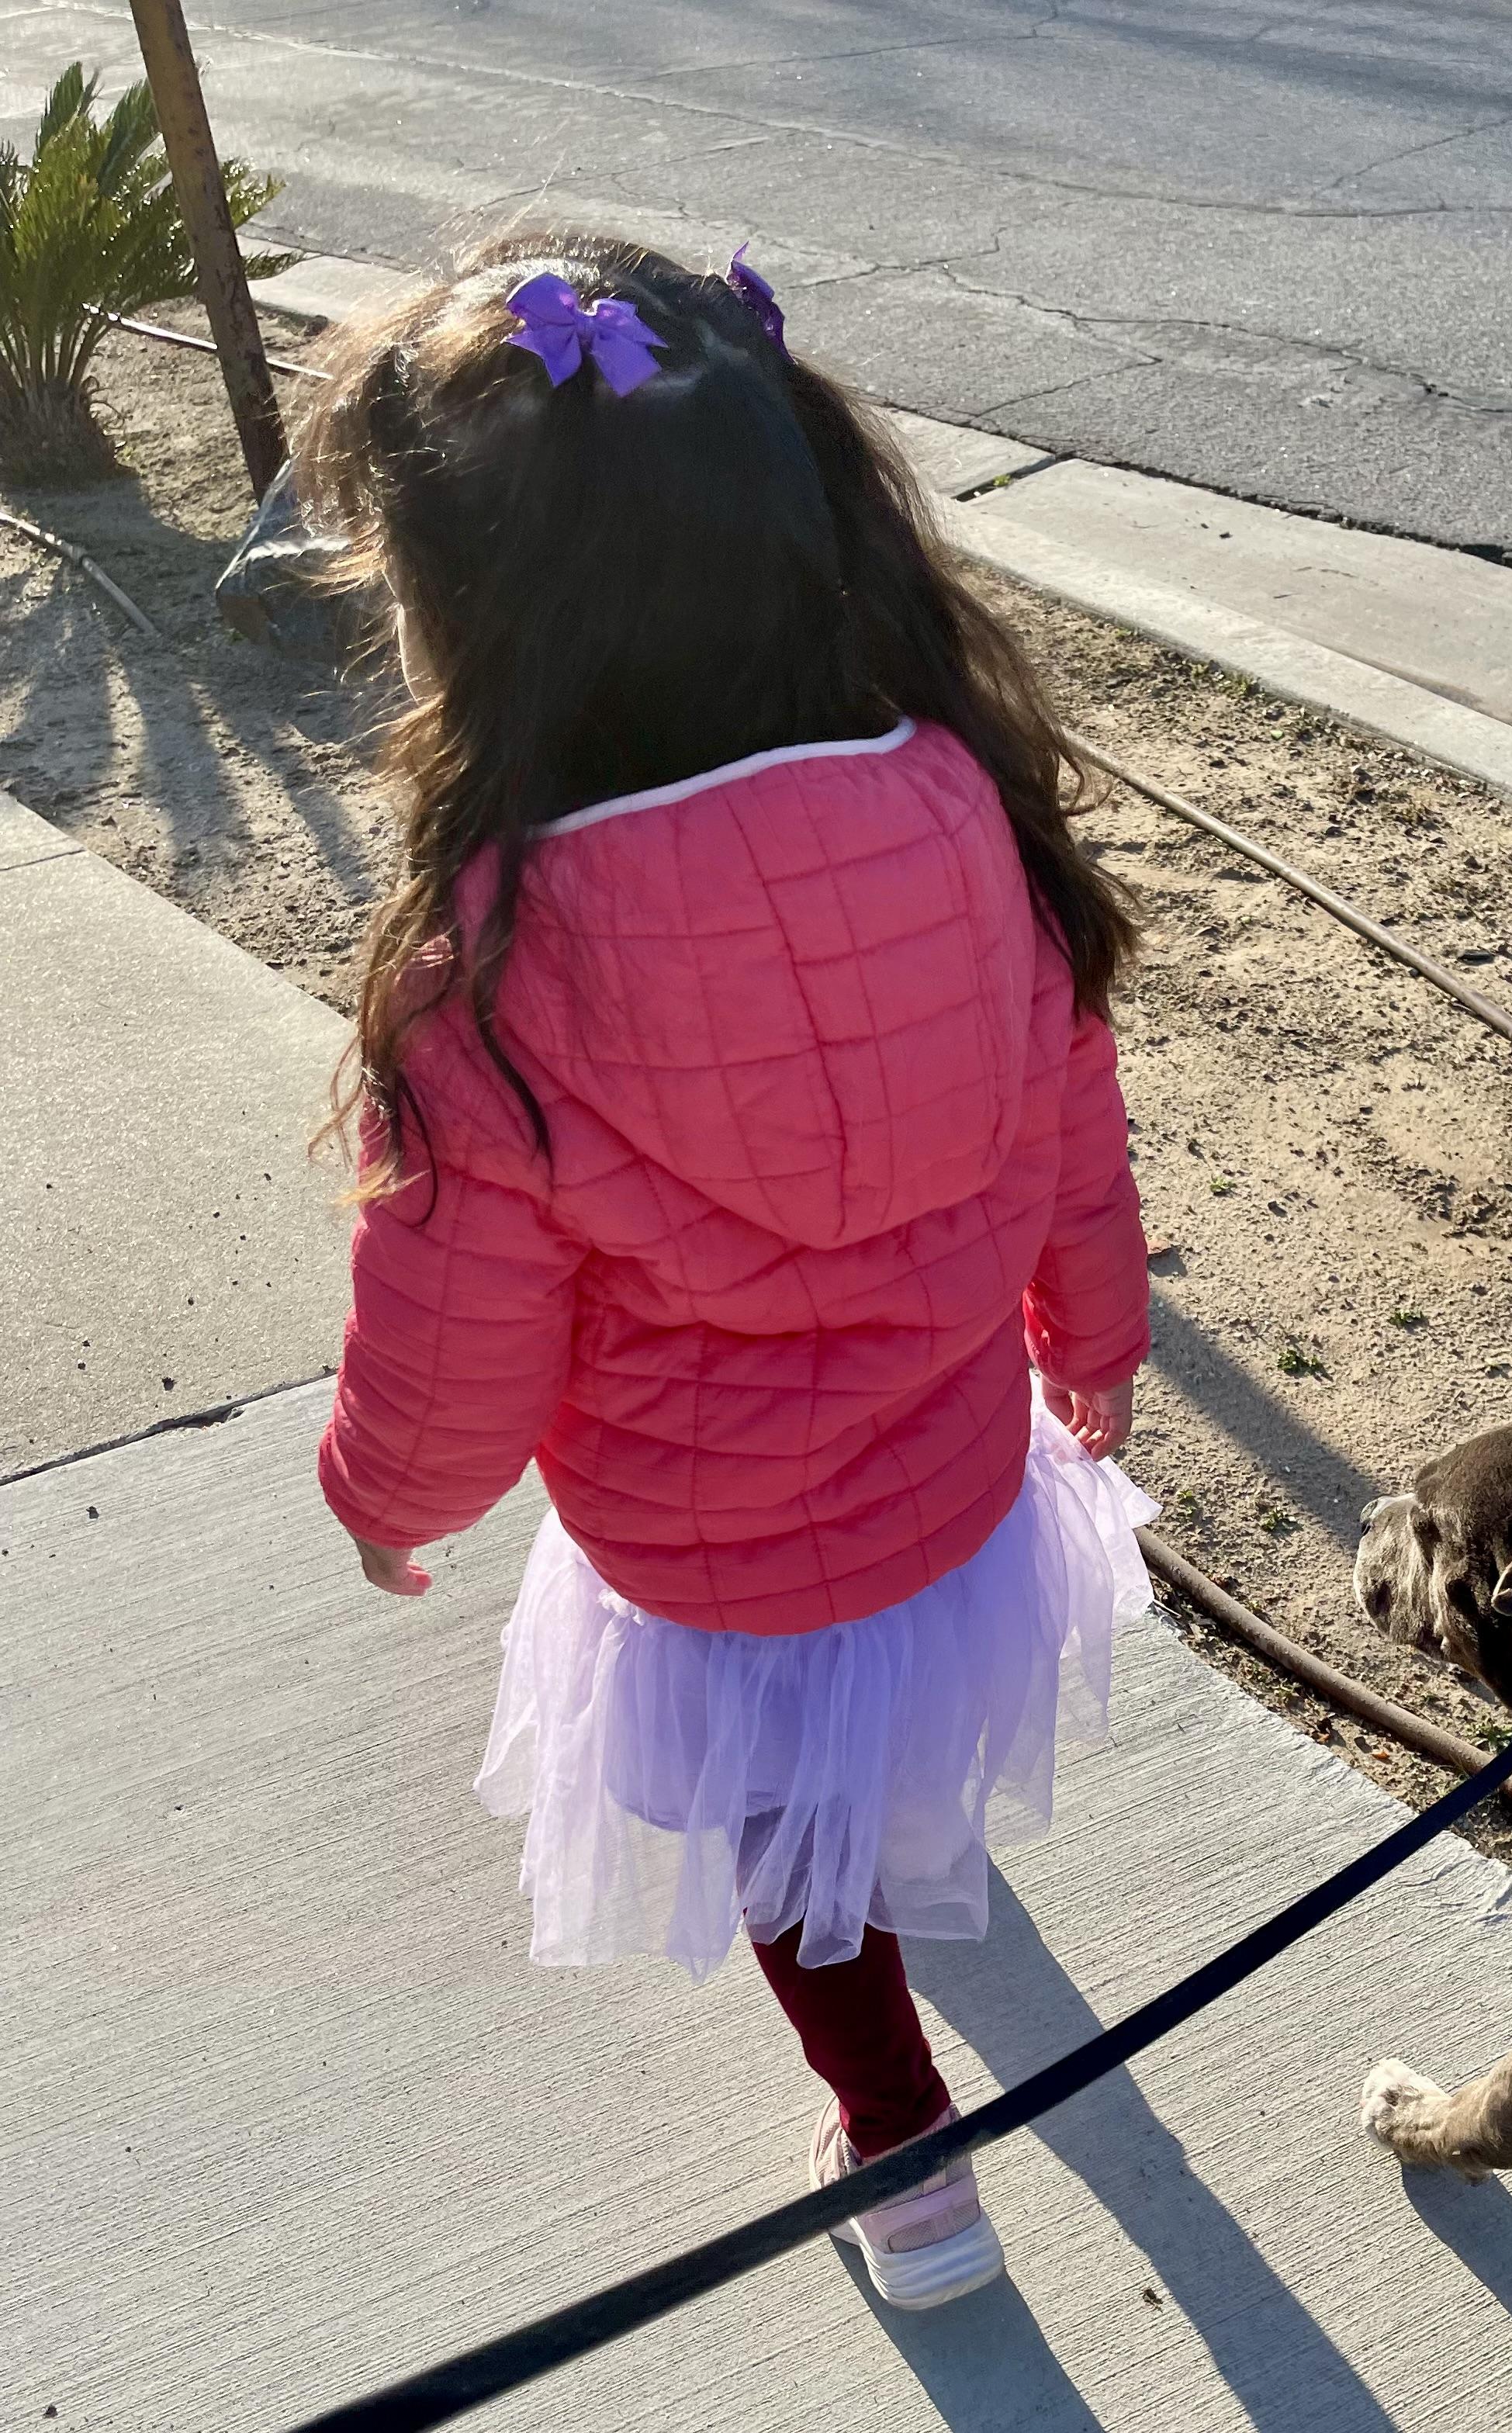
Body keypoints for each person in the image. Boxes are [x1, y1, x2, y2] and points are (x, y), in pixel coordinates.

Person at [302, 235, 1154, 2310]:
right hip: (951, 1485)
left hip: (716, 1561)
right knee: (878, 1777)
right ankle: (914, 1919)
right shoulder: (954, 797)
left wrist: (384, 1503)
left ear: (469, 627)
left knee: (801, 1869)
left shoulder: (494, 973)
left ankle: (907, 2163)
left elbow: (457, 1365)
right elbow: (1067, 1118)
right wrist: (1095, 1345)